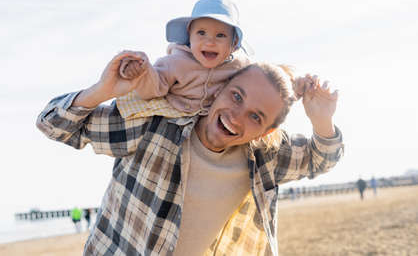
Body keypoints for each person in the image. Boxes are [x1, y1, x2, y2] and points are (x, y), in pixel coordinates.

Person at [36, 59, 343, 256]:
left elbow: (321, 157)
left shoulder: (265, 158)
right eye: (236, 96)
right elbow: (53, 123)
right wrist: (102, 90)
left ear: (266, 131)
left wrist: (321, 120)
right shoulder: (154, 126)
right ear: (218, 90)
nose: (236, 116)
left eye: (255, 116)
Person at [113, 0, 251, 120]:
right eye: (201, 33)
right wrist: (141, 72)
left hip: (213, 121)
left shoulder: (239, 65)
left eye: (220, 35)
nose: (210, 42)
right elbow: (154, 87)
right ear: (189, 36)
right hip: (175, 114)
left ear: (233, 43)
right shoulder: (176, 62)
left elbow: (256, 81)